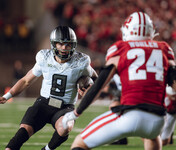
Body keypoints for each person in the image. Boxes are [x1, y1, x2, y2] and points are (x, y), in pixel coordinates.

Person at [62, 12, 176, 150]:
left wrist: (76, 112)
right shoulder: (164, 48)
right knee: (152, 136)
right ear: (151, 31)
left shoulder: (120, 48)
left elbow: (99, 85)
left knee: (79, 143)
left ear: (128, 30)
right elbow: (174, 82)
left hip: (130, 114)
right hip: (157, 119)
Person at [0, 26, 97, 150]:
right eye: (60, 44)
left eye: (68, 44)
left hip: (65, 107)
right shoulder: (44, 58)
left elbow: (96, 79)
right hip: (44, 103)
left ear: (73, 45)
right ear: (53, 44)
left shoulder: (81, 62)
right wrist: (7, 96)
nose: (64, 48)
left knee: (66, 126)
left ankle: (47, 149)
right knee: (24, 129)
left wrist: (89, 90)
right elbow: (26, 80)